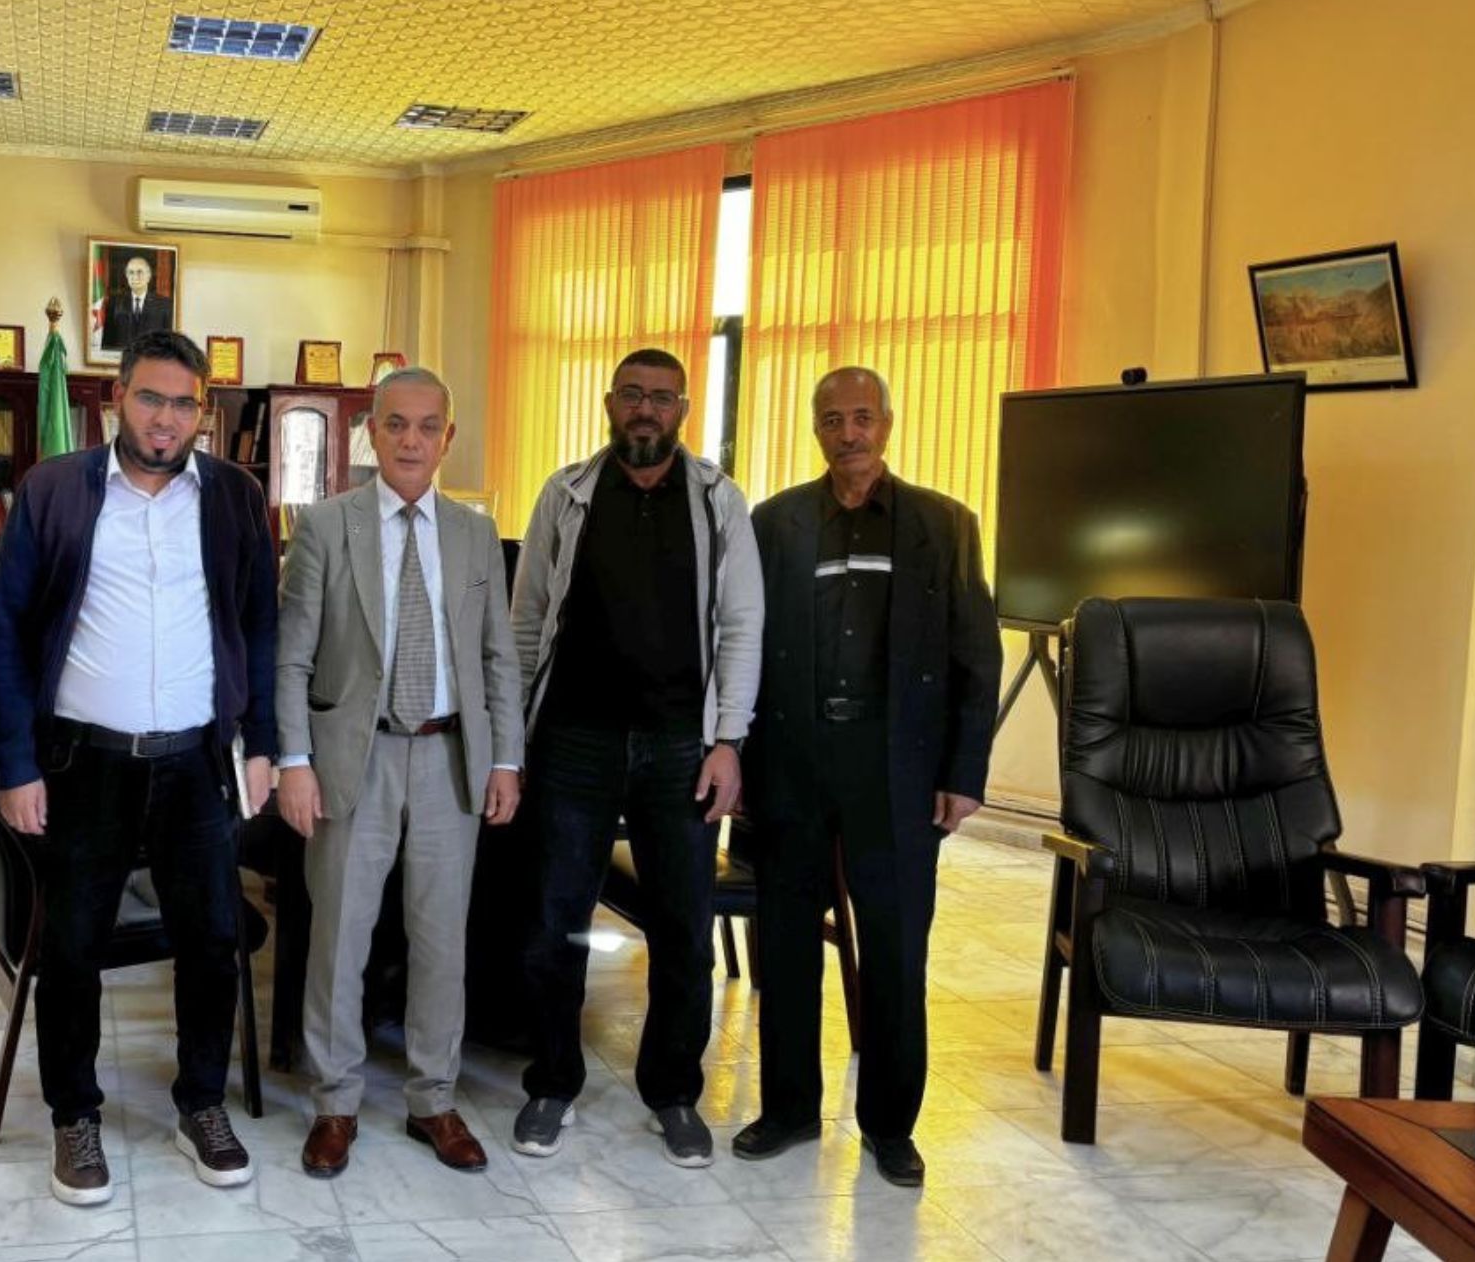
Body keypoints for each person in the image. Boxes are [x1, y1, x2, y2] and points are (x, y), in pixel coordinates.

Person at [0, 328, 276, 1203]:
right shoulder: (55, 490)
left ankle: (201, 1104)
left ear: (203, 413)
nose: (166, 419)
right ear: (118, 398)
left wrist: (263, 743)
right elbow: (8, 634)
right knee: (72, 946)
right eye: (151, 398)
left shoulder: (233, 497)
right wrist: (15, 766)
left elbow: (259, 626)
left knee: (212, 940)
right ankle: (74, 1115)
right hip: (84, 762)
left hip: (196, 762)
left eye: (185, 404)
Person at [736, 366, 1000, 1186]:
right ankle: (788, 1109)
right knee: (786, 943)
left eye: (861, 417)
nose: (847, 433)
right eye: (831, 419)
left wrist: (964, 772)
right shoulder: (775, 523)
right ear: (815, 428)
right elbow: (741, 644)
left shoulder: (945, 525)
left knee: (894, 947)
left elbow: (976, 655)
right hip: (793, 761)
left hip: (898, 770)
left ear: (886, 423)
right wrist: (736, 755)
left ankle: (891, 1126)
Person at [508, 348, 763, 1168]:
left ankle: (674, 1093)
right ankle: (552, 1082)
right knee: (554, 925)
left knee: (683, 929)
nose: (645, 409)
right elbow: (526, 619)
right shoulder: (566, 493)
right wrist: (513, 735)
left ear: (683, 409)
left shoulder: (719, 501)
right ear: (609, 403)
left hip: (681, 747)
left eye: (661, 397)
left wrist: (728, 742)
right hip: (572, 741)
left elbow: (741, 626)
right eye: (632, 395)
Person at [274, 368, 524, 1179]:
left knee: (442, 941)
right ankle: (335, 1103)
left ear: (447, 437)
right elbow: (292, 656)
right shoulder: (325, 524)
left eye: (426, 427)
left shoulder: (476, 533)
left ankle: (433, 1099)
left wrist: (506, 758)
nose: (411, 441)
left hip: (451, 758)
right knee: (338, 938)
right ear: (371, 433)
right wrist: (294, 762)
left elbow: (497, 657)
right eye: (395, 424)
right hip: (356, 757)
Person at [100, 253, 174, 350]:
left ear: (149, 276)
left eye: (139, 272)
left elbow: (168, 344)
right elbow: (107, 344)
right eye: (131, 272)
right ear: (126, 276)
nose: (135, 277)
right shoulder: (114, 304)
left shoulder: (164, 305)